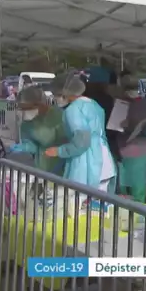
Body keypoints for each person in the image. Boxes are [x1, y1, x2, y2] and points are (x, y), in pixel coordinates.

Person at [45, 73, 117, 205]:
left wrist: (59, 151)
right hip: (104, 161)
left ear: (65, 93)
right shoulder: (94, 104)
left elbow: (82, 141)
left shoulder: (73, 110)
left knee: (77, 206)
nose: (55, 97)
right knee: (101, 207)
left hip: (86, 164)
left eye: (56, 93)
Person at [116, 74, 146, 202]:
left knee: (131, 189)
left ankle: (135, 216)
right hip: (131, 150)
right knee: (132, 188)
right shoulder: (123, 104)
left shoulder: (140, 104)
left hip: (132, 150)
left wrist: (133, 125)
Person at [9, 86, 66, 175]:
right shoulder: (26, 123)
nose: (24, 111)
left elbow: (67, 142)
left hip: (63, 164)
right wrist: (26, 147)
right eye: (21, 108)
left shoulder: (59, 116)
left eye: (27, 108)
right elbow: (33, 145)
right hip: (42, 166)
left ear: (40, 104)